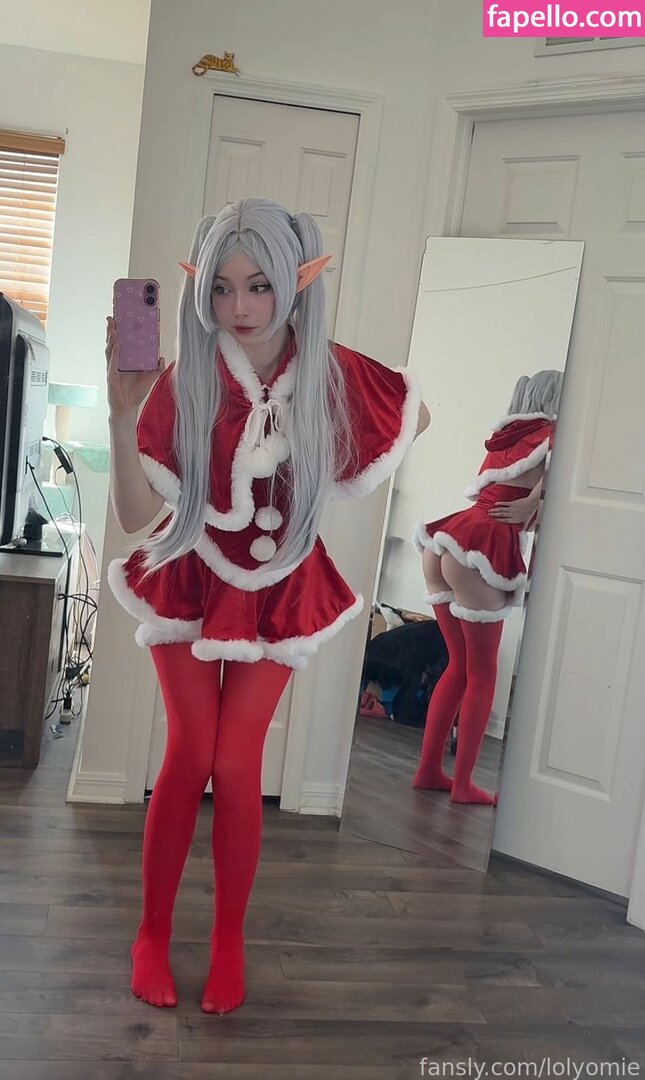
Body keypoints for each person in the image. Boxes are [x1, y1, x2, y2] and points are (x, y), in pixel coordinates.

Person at [105, 198, 430, 1013]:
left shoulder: (330, 371)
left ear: (296, 282)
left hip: (280, 585)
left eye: (258, 286)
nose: (239, 307)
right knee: (190, 753)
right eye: (220, 288)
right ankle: (150, 934)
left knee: (237, 763)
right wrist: (121, 410)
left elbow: (410, 414)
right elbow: (135, 515)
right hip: (189, 573)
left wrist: (322, 452)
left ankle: (227, 940)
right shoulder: (186, 375)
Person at [411, 370, 562, 805]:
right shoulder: (554, 436)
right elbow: (549, 487)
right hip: (480, 549)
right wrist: (533, 502)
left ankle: (428, 771)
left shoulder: (504, 437)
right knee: (482, 673)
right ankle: (462, 786)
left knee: (458, 666)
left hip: (446, 541)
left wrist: (529, 502)